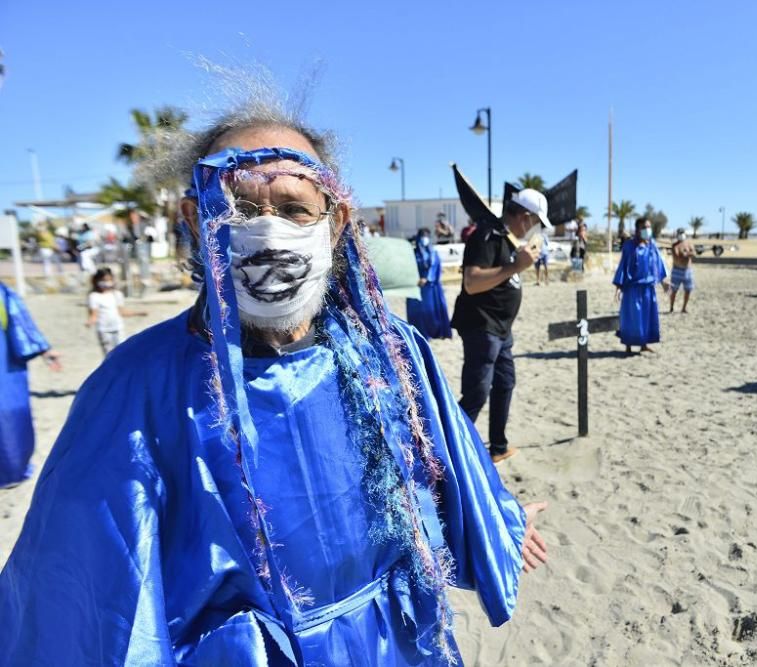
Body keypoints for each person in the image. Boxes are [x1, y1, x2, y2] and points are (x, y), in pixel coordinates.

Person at [0, 110, 547, 665]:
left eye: (293, 209)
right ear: (195, 217)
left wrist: (498, 521)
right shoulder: (136, 385)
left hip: (393, 644)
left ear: (334, 223)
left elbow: (445, 459)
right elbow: (88, 588)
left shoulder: (392, 351)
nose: (269, 229)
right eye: (238, 208)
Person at [451, 189, 551, 463]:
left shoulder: (508, 239)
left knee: (505, 383)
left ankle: (498, 446)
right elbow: (472, 282)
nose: (534, 228)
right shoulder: (487, 235)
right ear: (525, 216)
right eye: (534, 222)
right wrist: (515, 266)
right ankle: (450, 451)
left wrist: (518, 260)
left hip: (501, 329)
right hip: (482, 326)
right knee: (477, 392)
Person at [0, 280, 61, 488]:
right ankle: (10, 472)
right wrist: (44, 349)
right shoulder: (3, 294)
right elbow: (21, 324)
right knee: (8, 420)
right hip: (5, 374)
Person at [613, 217, 669, 354]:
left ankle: (644, 344)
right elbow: (623, 266)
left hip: (648, 288)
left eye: (648, 227)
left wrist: (663, 282)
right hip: (633, 288)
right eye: (644, 227)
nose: (647, 230)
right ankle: (628, 346)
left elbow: (658, 265)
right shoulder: (629, 246)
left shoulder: (652, 245)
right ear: (637, 229)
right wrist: (619, 288)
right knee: (632, 317)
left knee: (646, 317)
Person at [85, 267, 145, 356]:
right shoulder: (94, 296)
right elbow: (94, 314)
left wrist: (139, 313)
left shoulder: (117, 294)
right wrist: (90, 322)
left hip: (118, 328)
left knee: (122, 353)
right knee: (109, 355)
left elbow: (122, 312)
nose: (107, 282)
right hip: (104, 330)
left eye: (109, 280)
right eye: (104, 280)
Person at [406, 227, 452, 339]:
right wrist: (416, 278)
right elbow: (409, 267)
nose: (424, 239)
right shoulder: (414, 252)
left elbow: (435, 266)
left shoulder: (433, 252)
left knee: (432, 309)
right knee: (418, 310)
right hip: (417, 285)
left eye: (426, 236)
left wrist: (427, 278)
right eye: (422, 236)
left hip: (431, 286)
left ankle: (436, 332)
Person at [669, 227, 696, 313]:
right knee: (674, 290)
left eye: (682, 233)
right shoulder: (674, 245)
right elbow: (678, 256)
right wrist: (687, 253)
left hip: (688, 271)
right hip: (677, 270)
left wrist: (686, 253)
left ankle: (684, 308)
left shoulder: (689, 243)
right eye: (679, 233)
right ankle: (671, 307)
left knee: (688, 290)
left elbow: (694, 254)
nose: (681, 235)